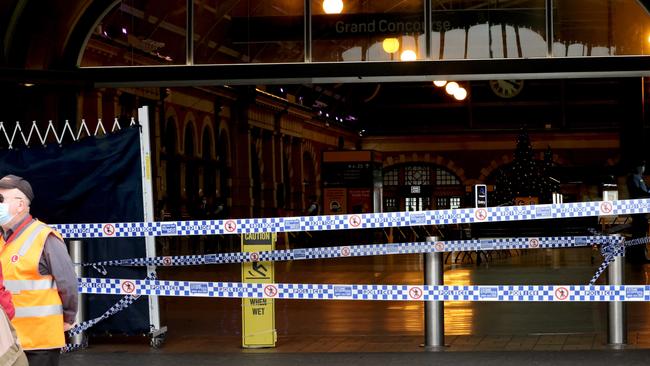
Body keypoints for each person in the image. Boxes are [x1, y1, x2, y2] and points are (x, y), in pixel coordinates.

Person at [0, 175, 78, 366]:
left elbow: (67, 283)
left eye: (1, 199)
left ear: (20, 205)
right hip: (7, 341)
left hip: (39, 341)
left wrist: (68, 317)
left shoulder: (44, 237)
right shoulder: (1, 238)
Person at [626, 161, 650, 263]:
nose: (643, 168)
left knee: (641, 232)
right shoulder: (632, 178)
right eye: (641, 166)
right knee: (638, 233)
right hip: (637, 209)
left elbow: (645, 190)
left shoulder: (639, 178)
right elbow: (636, 192)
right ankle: (637, 256)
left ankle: (639, 255)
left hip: (642, 210)